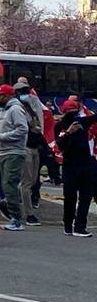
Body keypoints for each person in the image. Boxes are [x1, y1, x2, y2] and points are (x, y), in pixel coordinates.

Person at [54, 98, 96, 237]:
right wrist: (68, 132)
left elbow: (94, 118)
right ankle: (68, 225)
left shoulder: (82, 122)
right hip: (70, 164)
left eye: (75, 111)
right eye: (70, 112)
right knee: (70, 196)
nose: (73, 115)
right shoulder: (60, 126)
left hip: (86, 163)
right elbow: (60, 145)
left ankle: (80, 226)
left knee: (86, 196)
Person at [0, 84, 29, 232]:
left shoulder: (15, 109)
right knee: (7, 184)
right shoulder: (4, 110)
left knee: (9, 184)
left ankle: (16, 218)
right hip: (5, 151)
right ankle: (12, 212)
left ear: (7, 96)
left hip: (14, 151)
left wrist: (2, 137)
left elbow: (22, 129)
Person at [13, 79, 45, 226]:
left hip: (34, 147)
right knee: (26, 183)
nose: (26, 94)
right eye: (23, 91)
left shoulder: (31, 106)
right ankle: (28, 213)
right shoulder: (14, 109)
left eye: (27, 90)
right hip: (24, 147)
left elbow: (39, 124)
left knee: (32, 181)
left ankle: (7, 203)